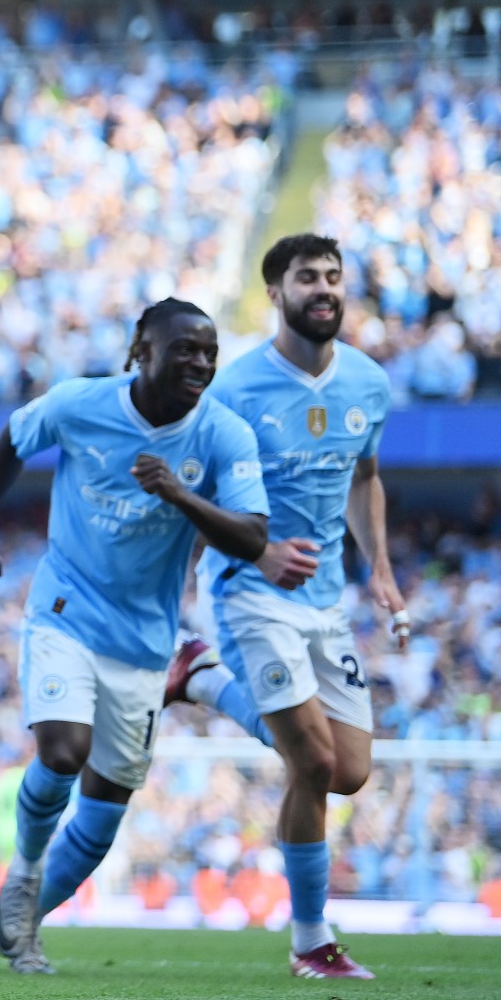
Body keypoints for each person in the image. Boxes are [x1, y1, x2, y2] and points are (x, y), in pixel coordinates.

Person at [0, 298, 270, 974]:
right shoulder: (80, 405)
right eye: (185, 348)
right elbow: (11, 439)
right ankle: (25, 869)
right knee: (64, 749)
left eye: (210, 352)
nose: (200, 362)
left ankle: (28, 914)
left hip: (144, 642)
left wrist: (182, 495)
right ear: (141, 350)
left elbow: (252, 535)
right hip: (65, 608)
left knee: (103, 813)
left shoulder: (223, 435)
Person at [165, 234, 405, 980]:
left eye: (334, 276)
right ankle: (311, 941)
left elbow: (364, 479)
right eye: (309, 277)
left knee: (351, 771)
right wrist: (189, 585)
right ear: (276, 292)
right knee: (311, 759)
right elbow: (194, 498)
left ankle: (203, 681)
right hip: (250, 594)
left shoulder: (368, 383)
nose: (325, 288)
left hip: (326, 603)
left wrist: (382, 572)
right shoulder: (232, 391)